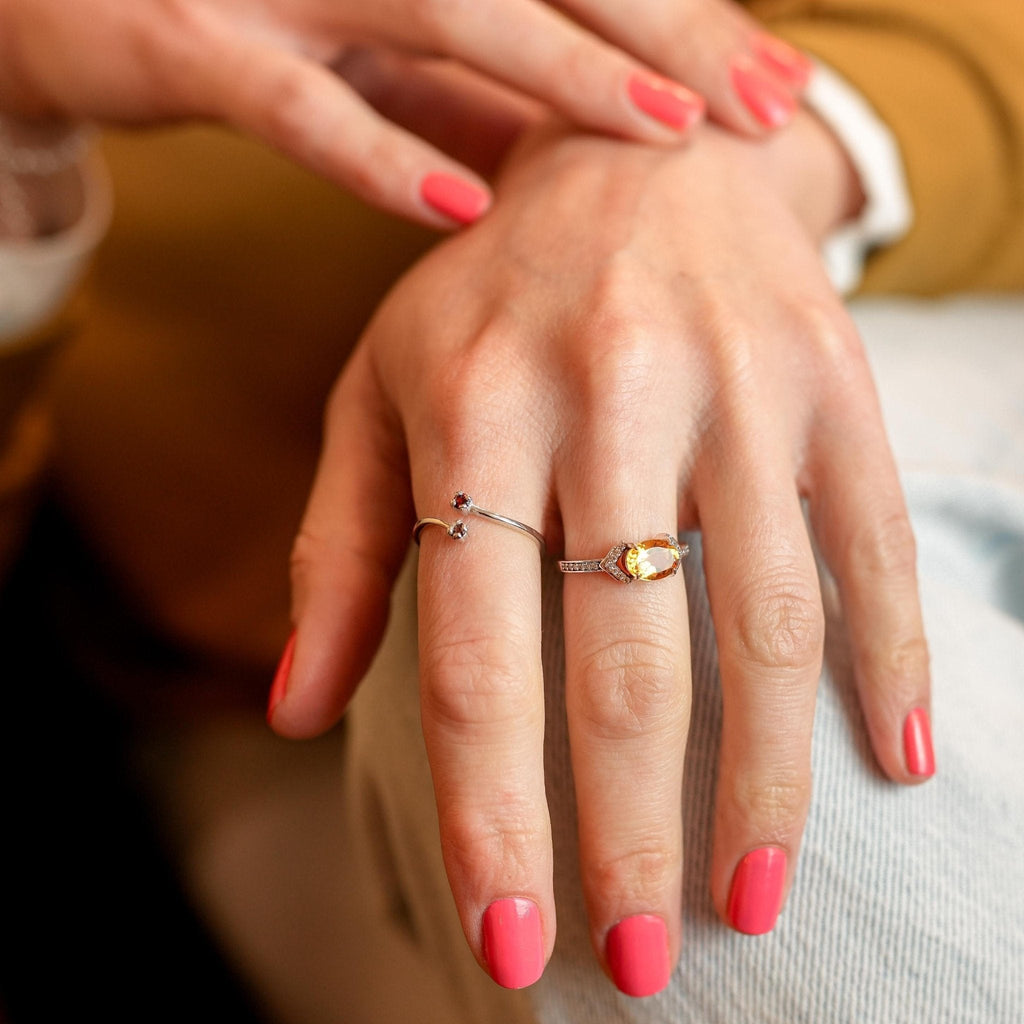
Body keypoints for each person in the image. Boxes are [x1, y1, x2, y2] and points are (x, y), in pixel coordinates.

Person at [0, 1, 1022, 1022]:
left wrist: (720, 155)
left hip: (882, 267)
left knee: (643, 649)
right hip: (254, 697)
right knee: (552, 710)